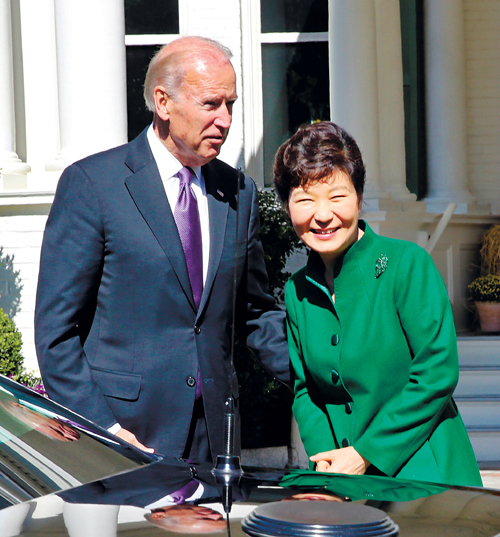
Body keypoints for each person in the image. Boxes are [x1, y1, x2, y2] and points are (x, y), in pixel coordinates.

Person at [35, 36, 290, 462]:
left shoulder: (238, 191)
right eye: (211, 104)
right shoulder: (94, 184)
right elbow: (56, 333)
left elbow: (254, 313)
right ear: (163, 102)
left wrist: (328, 377)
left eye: (231, 104)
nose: (226, 120)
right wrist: (105, 430)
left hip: (215, 441)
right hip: (124, 440)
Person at [273, 121, 482, 486]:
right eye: (305, 200)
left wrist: (365, 454)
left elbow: (436, 373)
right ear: (288, 207)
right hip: (346, 484)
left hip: (426, 480)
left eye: (337, 196)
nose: (322, 215)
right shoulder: (298, 290)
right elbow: (306, 390)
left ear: (358, 197)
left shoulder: (406, 264)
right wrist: (328, 463)